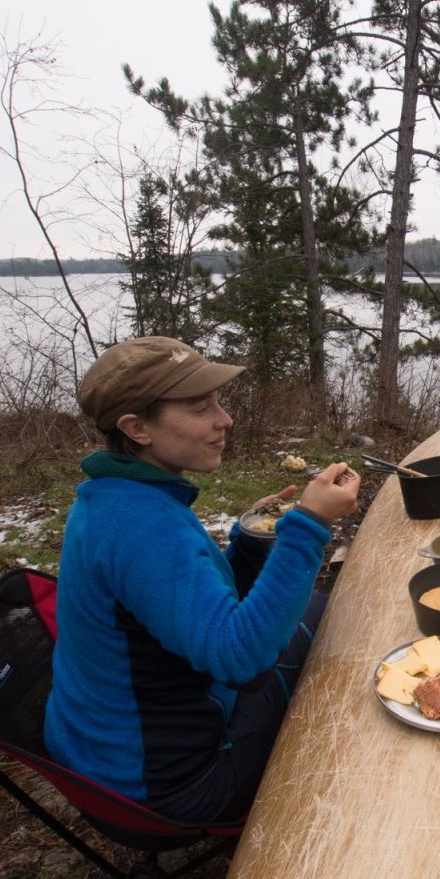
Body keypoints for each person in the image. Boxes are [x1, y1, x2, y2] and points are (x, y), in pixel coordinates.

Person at [44, 336, 359, 824]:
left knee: (322, 611)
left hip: (110, 756)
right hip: (169, 787)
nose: (224, 419)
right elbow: (241, 660)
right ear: (136, 428)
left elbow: (193, 610)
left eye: (218, 402)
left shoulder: (118, 496)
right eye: (200, 408)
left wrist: (252, 544)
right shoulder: (140, 527)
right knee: (341, 680)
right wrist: (309, 529)